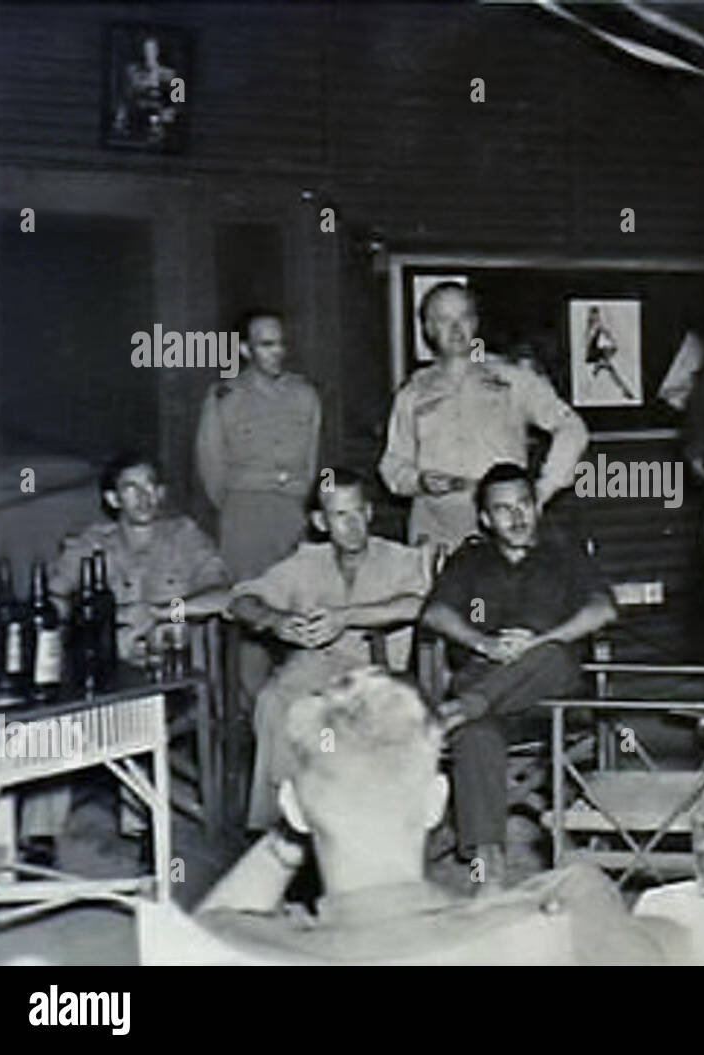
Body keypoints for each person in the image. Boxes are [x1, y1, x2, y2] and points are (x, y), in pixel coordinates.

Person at [193, 667, 683, 964]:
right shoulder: (550, 923)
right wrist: (579, 890)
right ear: (437, 800)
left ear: (293, 811)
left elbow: (199, 931)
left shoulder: (240, 947)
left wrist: (290, 832)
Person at [20, 452, 231, 866]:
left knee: (132, 710)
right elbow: (52, 601)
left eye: (150, 486)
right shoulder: (91, 544)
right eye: (130, 488)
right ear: (113, 499)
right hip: (99, 676)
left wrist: (162, 612)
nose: (143, 497)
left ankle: (147, 827)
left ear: (162, 492)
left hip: (164, 676)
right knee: (51, 715)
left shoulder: (184, 537)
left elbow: (225, 593)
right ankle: (36, 837)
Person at [419, 462, 617, 888]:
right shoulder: (471, 559)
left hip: (550, 695)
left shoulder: (564, 554)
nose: (517, 517)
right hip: (486, 684)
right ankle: (487, 869)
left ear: (537, 507)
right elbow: (435, 613)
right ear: (487, 519)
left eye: (524, 504)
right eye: (504, 510)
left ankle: (460, 709)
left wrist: (541, 640)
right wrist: (484, 643)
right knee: (475, 734)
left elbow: (603, 609)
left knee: (552, 657)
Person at [228, 469, 431, 831]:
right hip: (313, 667)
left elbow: (420, 605)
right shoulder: (307, 562)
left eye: (357, 512)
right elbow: (241, 599)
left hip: (373, 670)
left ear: (369, 512)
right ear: (321, 522)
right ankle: (280, 826)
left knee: (329, 716)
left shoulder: (401, 559)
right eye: (340, 516)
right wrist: (276, 619)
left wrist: (346, 617)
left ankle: (336, 830)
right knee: (274, 701)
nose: (352, 526)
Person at [379, 282, 588, 552]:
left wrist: (543, 489)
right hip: (436, 530)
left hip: (502, 524)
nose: (456, 329)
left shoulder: (512, 378)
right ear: (428, 329)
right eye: (443, 320)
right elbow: (393, 465)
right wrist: (419, 481)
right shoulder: (413, 391)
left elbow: (571, 427)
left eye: (463, 317)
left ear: (475, 323)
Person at [195, 310, 322, 745]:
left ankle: (295, 719)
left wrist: (292, 494)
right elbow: (212, 471)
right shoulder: (225, 397)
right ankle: (253, 725)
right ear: (246, 349)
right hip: (244, 518)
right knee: (251, 613)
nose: (276, 352)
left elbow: (311, 462)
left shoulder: (305, 395)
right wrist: (246, 500)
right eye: (266, 344)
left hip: (292, 516)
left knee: (296, 607)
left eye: (281, 343)